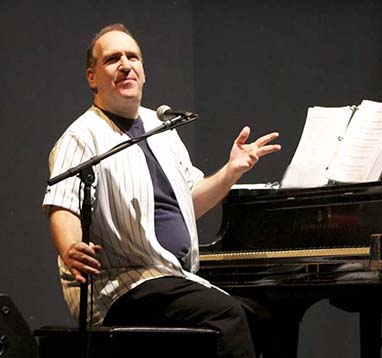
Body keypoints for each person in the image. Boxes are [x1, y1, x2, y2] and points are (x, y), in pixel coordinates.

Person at [42, 23, 281, 358]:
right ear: (92, 77)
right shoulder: (83, 136)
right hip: (122, 285)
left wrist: (231, 171)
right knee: (225, 314)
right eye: (112, 59)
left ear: (143, 71)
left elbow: (189, 204)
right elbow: (62, 202)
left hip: (169, 277)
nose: (125, 64)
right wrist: (70, 247)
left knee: (263, 317)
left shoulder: (161, 128)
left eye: (132, 57)